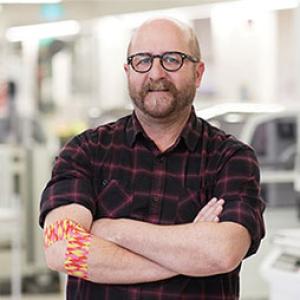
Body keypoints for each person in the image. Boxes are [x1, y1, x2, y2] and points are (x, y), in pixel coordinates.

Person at [39, 17, 265, 300]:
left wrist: (112, 229)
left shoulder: (231, 158)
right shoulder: (86, 151)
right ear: (128, 71)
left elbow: (222, 253)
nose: (156, 73)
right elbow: (62, 249)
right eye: (142, 60)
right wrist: (188, 256)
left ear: (198, 72)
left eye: (172, 59)